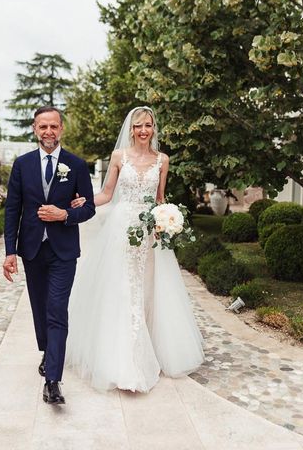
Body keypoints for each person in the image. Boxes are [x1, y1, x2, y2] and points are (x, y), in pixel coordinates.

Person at [65, 106, 204, 393]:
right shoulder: (119, 157)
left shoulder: (162, 160)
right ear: (131, 129)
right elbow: (106, 193)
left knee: (148, 290)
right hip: (121, 231)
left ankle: (150, 351)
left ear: (154, 129)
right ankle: (122, 359)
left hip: (149, 233)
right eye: (139, 125)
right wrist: (84, 202)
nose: (143, 130)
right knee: (122, 289)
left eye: (148, 125)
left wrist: (168, 219)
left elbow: (161, 198)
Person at [3, 106, 95, 405]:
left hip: (63, 251)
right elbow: (12, 210)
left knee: (57, 310)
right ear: (34, 129)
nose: (49, 132)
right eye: (43, 126)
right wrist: (10, 252)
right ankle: (48, 352)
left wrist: (64, 214)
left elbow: (89, 208)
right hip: (31, 249)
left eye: (54, 126)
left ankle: (52, 380)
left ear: (61, 129)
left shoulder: (76, 165)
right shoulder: (22, 165)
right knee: (40, 309)